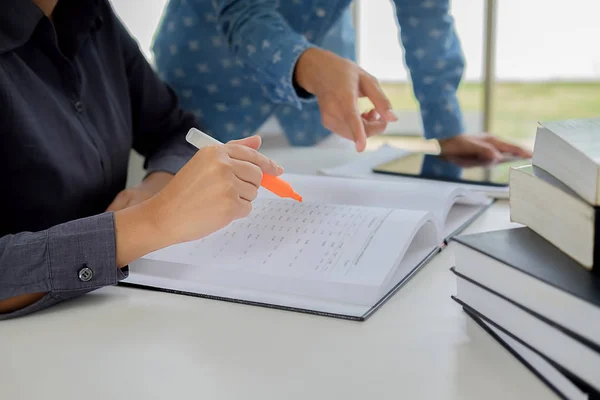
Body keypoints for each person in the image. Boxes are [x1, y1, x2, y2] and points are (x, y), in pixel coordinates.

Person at [0, 0, 283, 319]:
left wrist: (155, 188)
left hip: (115, 309)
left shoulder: (91, 13)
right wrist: (154, 220)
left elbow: (175, 129)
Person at [152, 0, 532, 159]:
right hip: (206, 97)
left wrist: (447, 127)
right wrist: (309, 65)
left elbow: (427, 18)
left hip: (315, 113)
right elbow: (243, 12)